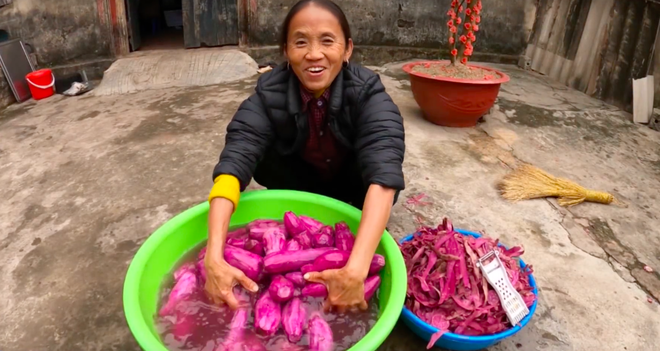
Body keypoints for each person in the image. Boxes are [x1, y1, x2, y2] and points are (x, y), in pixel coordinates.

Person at [203, 0, 405, 313]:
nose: (313, 54)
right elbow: (233, 164)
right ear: (286, 51)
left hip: (351, 196)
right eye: (300, 42)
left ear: (347, 49)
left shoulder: (368, 95)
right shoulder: (268, 95)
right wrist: (213, 257)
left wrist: (356, 268)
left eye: (327, 40)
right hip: (292, 194)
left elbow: (384, 173)